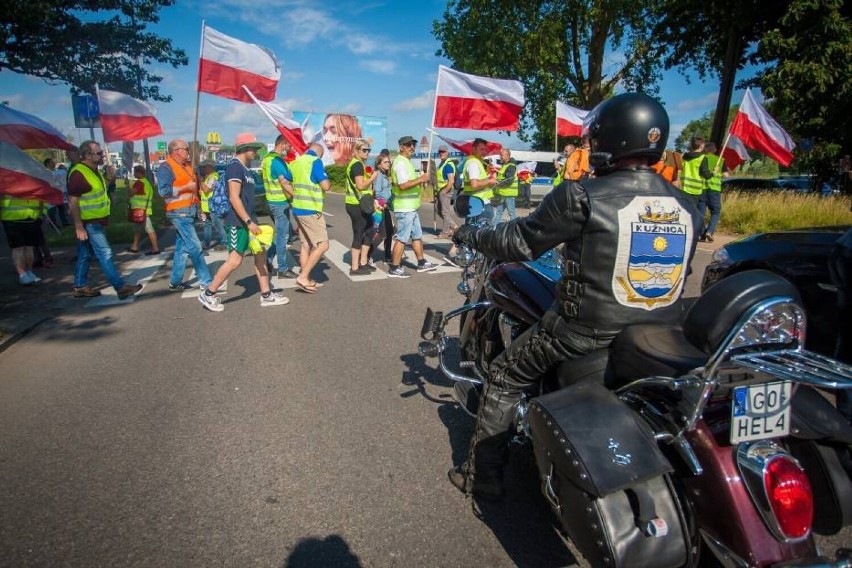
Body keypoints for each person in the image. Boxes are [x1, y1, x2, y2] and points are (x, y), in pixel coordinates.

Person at [447, 93, 702, 500]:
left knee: (504, 375)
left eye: (591, 140)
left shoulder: (582, 196)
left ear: (607, 140)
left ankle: (482, 476)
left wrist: (470, 234)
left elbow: (518, 242)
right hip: (657, 334)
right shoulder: (689, 205)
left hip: (581, 333)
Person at [198, 133, 289, 312]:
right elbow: (234, 197)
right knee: (235, 260)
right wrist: (248, 222)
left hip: (249, 220)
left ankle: (266, 295)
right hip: (238, 222)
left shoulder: (246, 169)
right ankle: (208, 293)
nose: (255, 152)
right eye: (253, 149)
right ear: (244, 149)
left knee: (260, 254)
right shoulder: (235, 168)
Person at [67, 140, 142, 299]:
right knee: (105, 253)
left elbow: (98, 191)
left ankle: (80, 285)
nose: (102, 156)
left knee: (85, 254)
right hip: (89, 222)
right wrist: (78, 226)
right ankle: (120, 288)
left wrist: (110, 179)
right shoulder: (78, 173)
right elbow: (73, 201)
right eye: (99, 153)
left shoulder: (93, 171)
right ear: (87, 155)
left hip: (96, 220)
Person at [157, 139, 212, 292]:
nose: (188, 151)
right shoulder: (166, 168)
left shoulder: (188, 167)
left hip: (188, 211)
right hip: (178, 212)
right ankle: (207, 281)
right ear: (176, 151)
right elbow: (163, 191)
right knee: (195, 246)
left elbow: (195, 191)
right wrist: (185, 187)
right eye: (186, 149)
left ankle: (175, 281)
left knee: (182, 249)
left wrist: (199, 207)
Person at [388, 135, 439, 278]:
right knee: (402, 238)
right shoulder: (400, 163)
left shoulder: (407, 162)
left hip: (411, 207)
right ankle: (394, 267)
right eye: (408, 145)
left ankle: (421, 262)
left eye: (413, 145)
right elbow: (403, 185)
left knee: (417, 235)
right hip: (405, 208)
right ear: (401, 147)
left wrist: (421, 181)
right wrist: (421, 179)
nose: (412, 147)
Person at [286, 142, 332, 293]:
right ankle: (303, 277)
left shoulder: (295, 162)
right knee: (323, 245)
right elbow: (325, 186)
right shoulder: (315, 161)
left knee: (306, 245)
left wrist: (294, 194)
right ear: (320, 153)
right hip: (311, 209)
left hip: (298, 208)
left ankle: (307, 278)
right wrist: (327, 180)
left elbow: (285, 181)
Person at [261, 135, 299, 279]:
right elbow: (284, 183)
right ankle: (282, 269)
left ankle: (268, 259)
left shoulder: (267, 159)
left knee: (281, 235)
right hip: (279, 202)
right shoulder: (276, 161)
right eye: (289, 146)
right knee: (283, 236)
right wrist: (297, 197)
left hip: (273, 201)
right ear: (282, 144)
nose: (290, 150)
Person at [344, 139, 379, 275]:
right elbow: (360, 185)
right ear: (356, 151)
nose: (367, 153)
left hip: (362, 203)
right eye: (364, 150)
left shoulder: (360, 164)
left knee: (370, 231)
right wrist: (372, 178)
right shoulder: (357, 165)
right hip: (356, 204)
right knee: (359, 233)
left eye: (368, 150)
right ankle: (354, 267)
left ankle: (363, 262)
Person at [0, 195, 44, 284]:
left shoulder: (6, 182)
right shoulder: (6, 182)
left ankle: (27, 273)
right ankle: (24, 274)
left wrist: (41, 213)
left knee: (26, 247)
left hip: (26, 217)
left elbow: (41, 195)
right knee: (21, 248)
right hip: (16, 218)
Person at [462, 138, 499, 224]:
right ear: (473, 149)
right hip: (479, 205)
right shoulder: (473, 163)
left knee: (473, 233)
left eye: (485, 149)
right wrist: (489, 181)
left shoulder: (478, 162)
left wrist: (491, 174)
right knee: (480, 234)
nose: (484, 152)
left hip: (476, 203)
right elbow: (474, 184)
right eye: (481, 149)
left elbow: (479, 180)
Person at [127, 165, 161, 255]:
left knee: (149, 230)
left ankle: (155, 248)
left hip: (141, 211)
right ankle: (134, 246)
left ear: (139, 173)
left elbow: (130, 194)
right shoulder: (146, 183)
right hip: (144, 210)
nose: (134, 174)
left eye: (135, 172)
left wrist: (128, 185)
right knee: (137, 230)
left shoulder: (139, 183)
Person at [698, 142, 727, 243]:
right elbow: (725, 175)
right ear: (714, 150)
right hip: (714, 190)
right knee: (715, 212)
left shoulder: (701, 159)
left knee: (701, 213)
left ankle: (702, 234)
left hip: (702, 188)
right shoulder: (720, 160)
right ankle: (709, 231)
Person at [198, 160, 226, 250]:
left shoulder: (213, 177)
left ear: (211, 167)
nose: (204, 169)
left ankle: (225, 242)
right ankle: (206, 243)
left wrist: (201, 180)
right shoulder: (207, 177)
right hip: (206, 206)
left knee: (218, 225)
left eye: (205, 167)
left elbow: (206, 190)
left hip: (213, 206)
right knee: (207, 225)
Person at [372, 154, 394, 264]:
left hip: (385, 207)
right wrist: (383, 203)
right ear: (379, 164)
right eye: (385, 162)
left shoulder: (384, 175)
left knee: (389, 231)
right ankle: (366, 255)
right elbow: (377, 192)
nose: (388, 163)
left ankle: (387, 256)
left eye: (388, 162)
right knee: (381, 233)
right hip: (380, 207)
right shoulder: (379, 175)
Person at [435, 145, 460, 238]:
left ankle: (446, 232)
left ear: (447, 152)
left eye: (443, 151)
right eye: (440, 152)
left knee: (445, 212)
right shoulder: (442, 163)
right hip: (441, 190)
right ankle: (454, 226)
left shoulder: (448, 164)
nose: (441, 153)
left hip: (446, 190)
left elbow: (451, 181)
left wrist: (445, 191)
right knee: (438, 210)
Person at [680, 136, 712, 208]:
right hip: (694, 190)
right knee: (691, 211)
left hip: (683, 187)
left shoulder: (684, 156)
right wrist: (713, 173)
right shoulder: (702, 158)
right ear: (701, 146)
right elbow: (706, 175)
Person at [493, 148, 518, 223]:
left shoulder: (511, 166)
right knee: (499, 212)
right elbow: (503, 177)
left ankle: (514, 228)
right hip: (503, 193)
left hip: (509, 194)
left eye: (502, 155)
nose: (500, 157)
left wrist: (498, 183)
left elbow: (509, 180)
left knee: (511, 213)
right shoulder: (505, 165)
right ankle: (494, 227)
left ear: (507, 155)